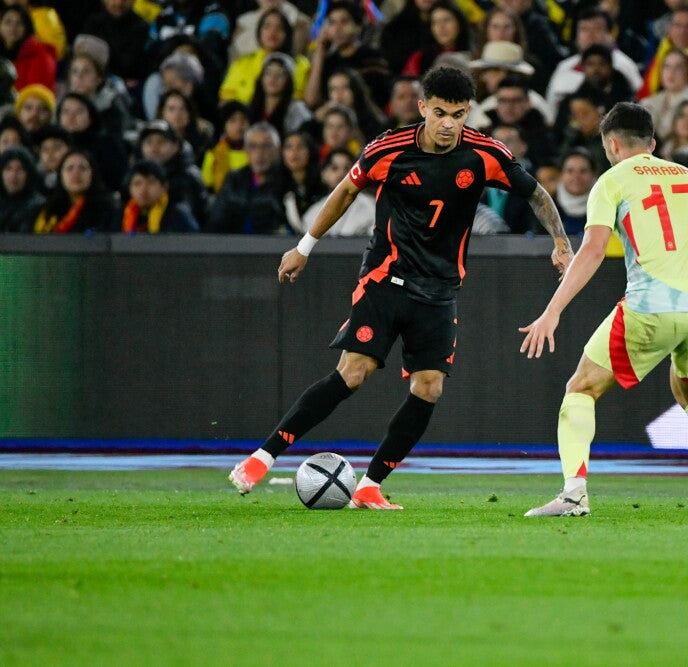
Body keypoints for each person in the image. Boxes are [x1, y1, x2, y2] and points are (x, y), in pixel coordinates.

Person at [228, 66, 573, 508]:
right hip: (386, 279)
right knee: (354, 372)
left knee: (429, 386)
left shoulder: (484, 153)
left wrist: (561, 243)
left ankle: (370, 485)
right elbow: (345, 192)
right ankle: (262, 457)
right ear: (423, 108)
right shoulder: (388, 148)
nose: (450, 124)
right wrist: (304, 247)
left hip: (441, 288)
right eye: (442, 113)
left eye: (460, 114)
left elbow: (537, 194)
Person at [519, 101, 688, 519]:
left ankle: (573, 495)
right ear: (653, 143)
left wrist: (552, 310)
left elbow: (593, 250)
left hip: (651, 307)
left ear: (611, 144)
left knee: (581, 388)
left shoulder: (612, 181)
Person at [305, 1, 391, 109]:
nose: (337, 29)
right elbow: (311, 101)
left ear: (358, 27)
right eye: (332, 23)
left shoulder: (372, 57)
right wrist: (320, 52)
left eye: (344, 22)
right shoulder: (328, 61)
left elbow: (381, 98)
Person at [207, 121, 285, 234]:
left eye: (266, 146)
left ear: (277, 150)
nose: (259, 153)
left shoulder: (285, 179)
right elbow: (216, 221)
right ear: (246, 151)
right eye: (253, 146)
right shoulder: (234, 179)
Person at [34, 149, 117, 233]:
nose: (76, 173)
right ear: (61, 175)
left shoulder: (108, 210)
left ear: (93, 174)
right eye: (70, 168)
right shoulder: (49, 209)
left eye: (82, 168)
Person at [120, 159, 199, 233]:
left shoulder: (178, 215)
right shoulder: (122, 214)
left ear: (164, 186)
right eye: (137, 183)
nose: (143, 189)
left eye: (151, 182)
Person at [0, 3, 54, 91]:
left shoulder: (40, 54)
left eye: (19, 23)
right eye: (8, 22)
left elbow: (36, 96)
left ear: (27, 27)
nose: (13, 28)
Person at [202, 100, 249, 193]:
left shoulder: (256, 152)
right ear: (224, 126)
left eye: (243, 120)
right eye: (233, 120)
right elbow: (207, 185)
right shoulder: (213, 153)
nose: (239, 125)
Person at [0, 144, 44, 232]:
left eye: (20, 169)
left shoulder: (38, 206)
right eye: (8, 169)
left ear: (29, 174)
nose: (13, 175)